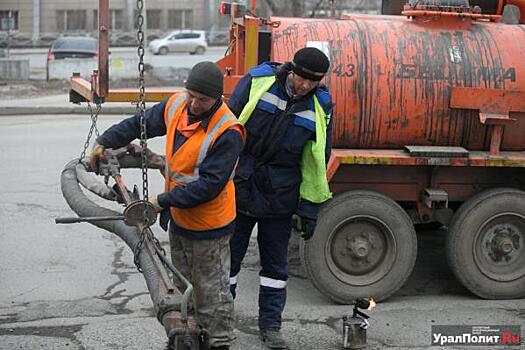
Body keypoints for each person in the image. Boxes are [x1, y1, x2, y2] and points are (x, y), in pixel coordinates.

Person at [90, 61, 245, 350]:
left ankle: (220, 342)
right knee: (185, 288)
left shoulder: (228, 131)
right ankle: (192, 338)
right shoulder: (177, 105)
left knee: (211, 294)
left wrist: (160, 201)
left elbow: (209, 186)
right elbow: (140, 122)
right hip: (181, 220)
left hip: (210, 226)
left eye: (204, 100)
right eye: (192, 96)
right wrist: (105, 140)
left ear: (218, 99)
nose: (196, 104)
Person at [227, 47, 333, 349]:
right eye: (300, 78)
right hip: (242, 185)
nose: (303, 86)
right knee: (228, 262)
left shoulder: (320, 106)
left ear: (319, 82)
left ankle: (271, 327)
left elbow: (316, 160)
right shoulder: (258, 81)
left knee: (275, 269)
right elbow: (225, 130)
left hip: (281, 195)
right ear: (291, 69)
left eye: (311, 83)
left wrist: (310, 209)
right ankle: (221, 319)